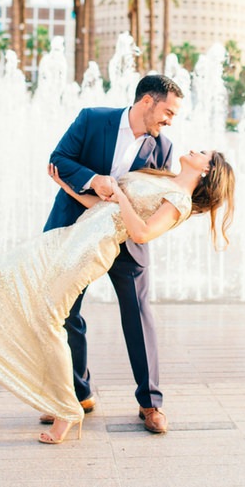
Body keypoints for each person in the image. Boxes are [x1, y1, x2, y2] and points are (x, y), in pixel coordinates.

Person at [0, 149, 235, 445]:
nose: (195, 150)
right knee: (3, 273)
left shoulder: (179, 201)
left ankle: (66, 410)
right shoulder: (160, 177)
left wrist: (121, 196)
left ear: (207, 169)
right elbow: (104, 208)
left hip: (88, 253)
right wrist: (65, 186)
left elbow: (140, 233)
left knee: (49, 320)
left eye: (203, 152)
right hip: (71, 236)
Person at [44, 74, 182, 434]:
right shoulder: (92, 119)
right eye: (167, 111)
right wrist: (93, 179)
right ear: (147, 102)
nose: (170, 120)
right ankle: (78, 394)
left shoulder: (163, 148)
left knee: (138, 315)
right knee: (65, 312)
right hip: (76, 230)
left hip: (127, 241)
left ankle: (150, 404)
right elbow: (59, 158)